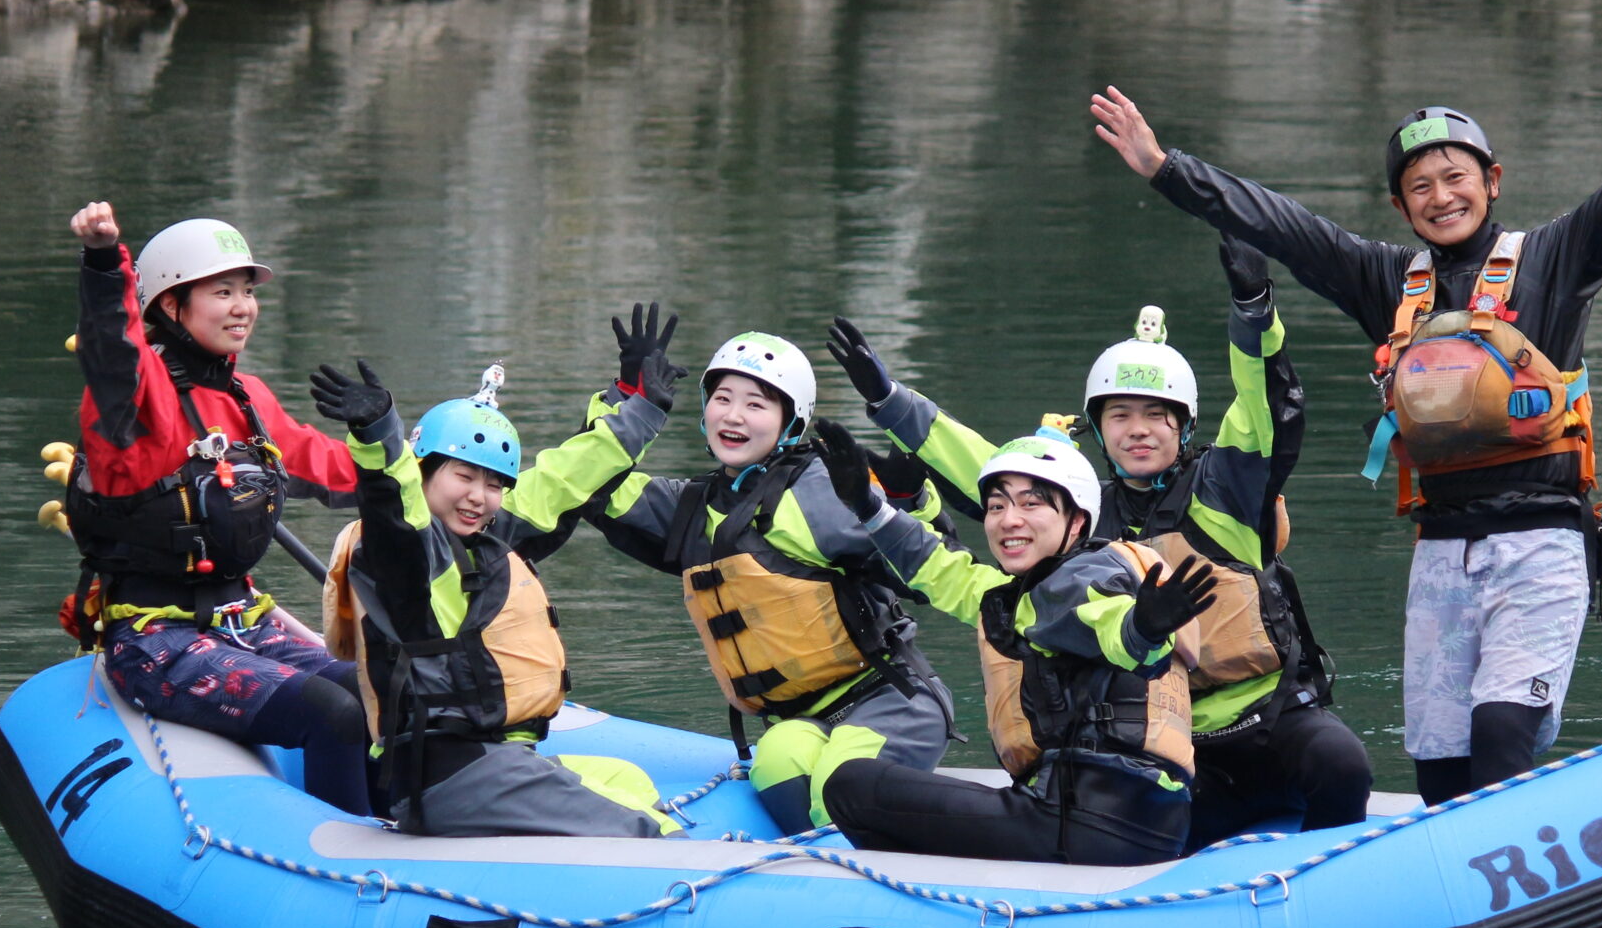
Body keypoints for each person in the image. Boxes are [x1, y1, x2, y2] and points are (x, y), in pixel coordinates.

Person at [1088, 2, 1602, 805]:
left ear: (1491, 182)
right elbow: (1286, 226)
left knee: (1502, 735)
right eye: (1419, 186)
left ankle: (1524, 907)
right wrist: (1165, 168)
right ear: (1402, 208)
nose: (1440, 195)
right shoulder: (1390, 281)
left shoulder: (1555, 259)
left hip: (1540, 545)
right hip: (1441, 554)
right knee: (1437, 772)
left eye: (1456, 176)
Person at [823, 241, 1374, 844]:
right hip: (1175, 745)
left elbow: (1264, 403)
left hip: (1268, 718)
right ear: (1098, 428)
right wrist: (888, 402)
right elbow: (986, 466)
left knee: (1343, 766)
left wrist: (1253, 309)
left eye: (1155, 415)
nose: (1137, 430)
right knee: (1155, 827)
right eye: (1118, 416)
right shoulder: (1077, 515)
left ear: (1185, 424)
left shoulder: (1226, 488)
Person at [307, 319, 681, 838]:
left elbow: (562, 481)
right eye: (462, 476)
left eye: (492, 484)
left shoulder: (485, 536)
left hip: (498, 758)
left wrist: (635, 403)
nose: (477, 497)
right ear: (423, 472)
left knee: (628, 779)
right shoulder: (397, 554)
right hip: (445, 776)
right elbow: (398, 515)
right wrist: (378, 441)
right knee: (646, 830)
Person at [584, 332, 959, 836]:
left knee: (840, 788)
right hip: (802, 721)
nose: (733, 416)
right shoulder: (692, 508)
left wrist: (913, 499)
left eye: (755, 404)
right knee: (776, 765)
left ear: (792, 421)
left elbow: (938, 564)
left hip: (891, 702)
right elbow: (589, 481)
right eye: (721, 399)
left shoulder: (819, 494)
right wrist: (627, 397)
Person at [61, 203, 370, 814]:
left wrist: (387, 445)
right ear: (170, 307)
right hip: (157, 640)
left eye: (246, 292)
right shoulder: (129, 401)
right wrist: (103, 263)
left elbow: (327, 466)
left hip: (241, 622)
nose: (242, 307)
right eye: (222, 292)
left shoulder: (245, 396)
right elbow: (111, 352)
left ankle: (414, 833)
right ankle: (356, 858)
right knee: (333, 714)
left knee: (375, 687)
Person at [820, 427, 1217, 864]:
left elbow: (1112, 628)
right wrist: (866, 504)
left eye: (1032, 504)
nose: (1009, 519)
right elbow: (937, 568)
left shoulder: (1075, 582)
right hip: (1151, 822)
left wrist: (1141, 628)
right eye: (996, 505)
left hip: (1085, 823)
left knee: (849, 784)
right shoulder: (1025, 595)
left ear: (1078, 521)